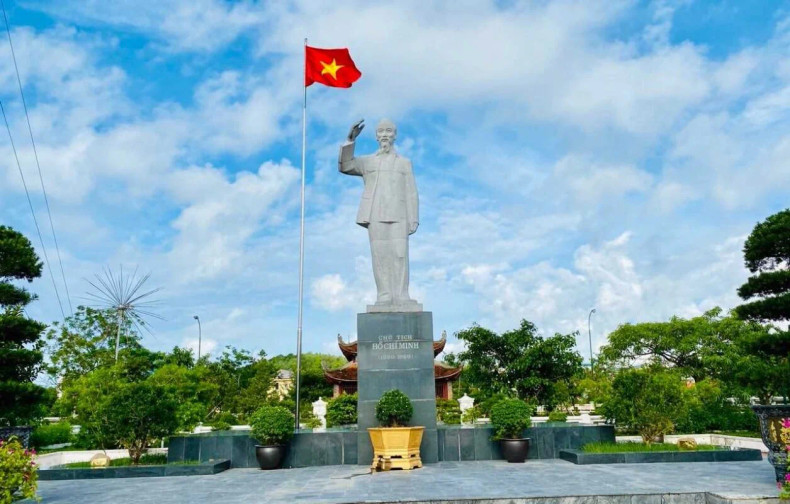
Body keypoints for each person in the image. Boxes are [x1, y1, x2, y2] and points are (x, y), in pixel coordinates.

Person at [338, 118, 421, 312]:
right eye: (381, 131)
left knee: (400, 255)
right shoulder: (367, 161)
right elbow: (345, 165)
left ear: (395, 135)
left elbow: (411, 191)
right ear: (376, 136)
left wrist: (414, 217)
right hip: (375, 213)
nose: (385, 135)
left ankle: (402, 295)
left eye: (388, 131)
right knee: (380, 257)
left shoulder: (404, 163)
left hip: (400, 214)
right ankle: (384, 295)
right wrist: (350, 140)